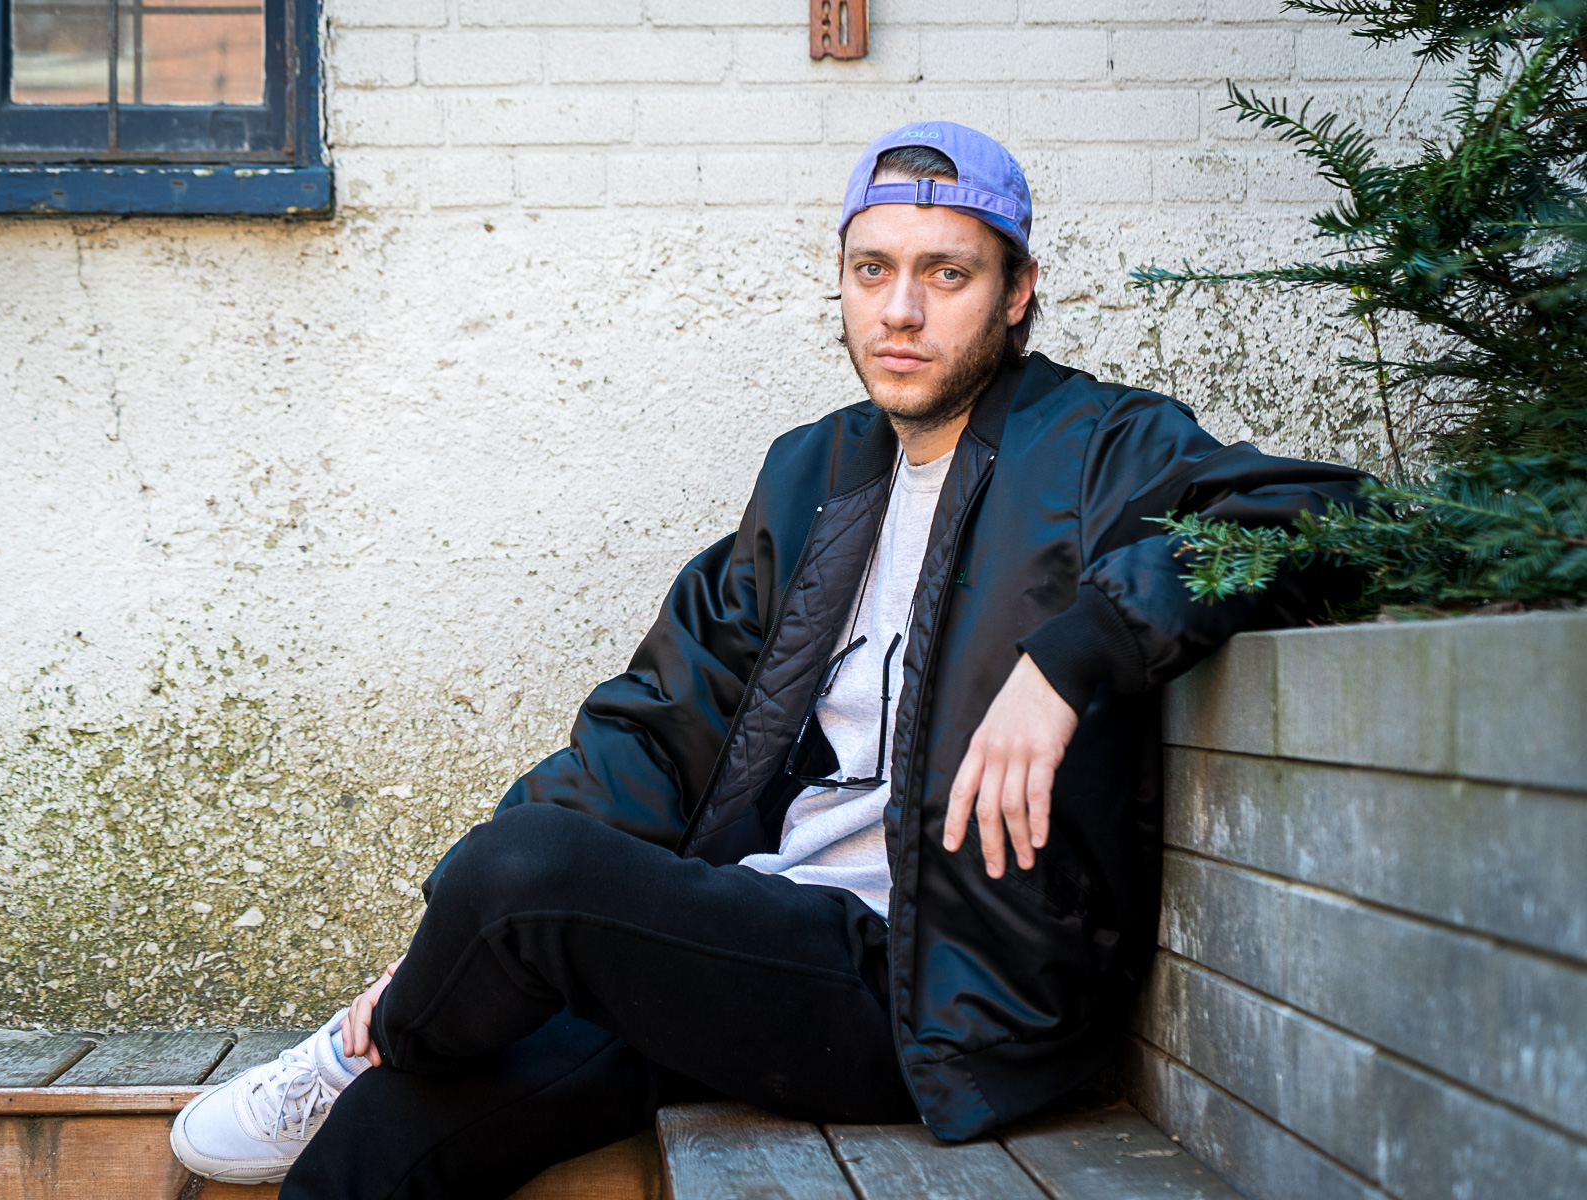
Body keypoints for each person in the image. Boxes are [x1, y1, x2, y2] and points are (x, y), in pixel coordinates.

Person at [169, 122, 1366, 1198]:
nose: (901, 311)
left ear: (1017, 293)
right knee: (387, 1136)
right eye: (872, 270)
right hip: (756, 938)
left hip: (936, 996)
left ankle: (379, 1035)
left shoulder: (1103, 445)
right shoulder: (814, 474)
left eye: (947, 274)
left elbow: (1327, 517)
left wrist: (1075, 654)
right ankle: (394, 1039)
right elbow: (658, 725)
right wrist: (456, 934)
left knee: (520, 874)